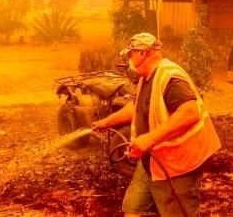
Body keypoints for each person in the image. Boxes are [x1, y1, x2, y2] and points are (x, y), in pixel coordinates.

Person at [91, 32, 221, 217]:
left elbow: (190, 113)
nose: (129, 59)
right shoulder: (146, 78)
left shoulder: (169, 76)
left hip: (178, 165)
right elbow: (135, 108)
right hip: (151, 161)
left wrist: (150, 139)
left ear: (143, 53)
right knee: (132, 207)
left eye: (131, 54)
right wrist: (106, 122)